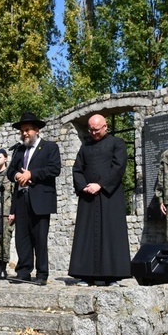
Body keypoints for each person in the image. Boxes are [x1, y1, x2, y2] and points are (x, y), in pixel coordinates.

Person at [69, 114, 131, 287]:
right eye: (90, 129)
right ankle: (85, 274)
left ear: (105, 127)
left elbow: (119, 167)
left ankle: (112, 276)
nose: (93, 133)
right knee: (86, 234)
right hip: (88, 196)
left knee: (111, 234)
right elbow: (77, 169)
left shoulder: (117, 143)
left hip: (109, 196)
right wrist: (83, 187)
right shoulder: (85, 147)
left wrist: (101, 185)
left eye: (96, 129)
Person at [7, 112, 61, 285]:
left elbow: (54, 169)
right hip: (22, 198)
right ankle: (23, 271)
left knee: (39, 237)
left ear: (37, 130)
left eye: (28, 130)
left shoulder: (50, 147)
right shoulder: (19, 150)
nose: (24, 133)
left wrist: (32, 174)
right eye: (22, 130)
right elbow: (10, 172)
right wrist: (17, 176)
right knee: (22, 237)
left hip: (40, 198)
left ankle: (42, 274)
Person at [0, 148, 15, 277]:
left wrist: (13, 212)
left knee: (5, 239)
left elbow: (14, 194)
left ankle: (3, 266)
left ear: (5, 158)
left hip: (6, 212)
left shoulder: (9, 175)